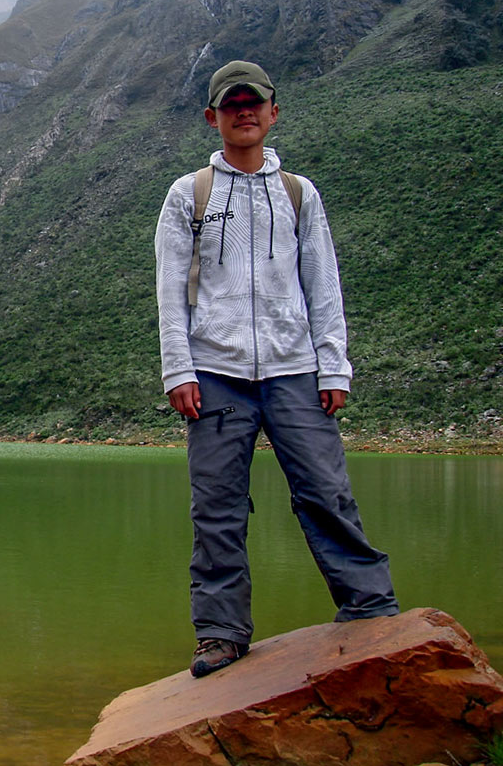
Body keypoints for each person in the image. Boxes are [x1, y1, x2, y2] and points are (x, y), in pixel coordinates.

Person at [154, 60, 399, 678]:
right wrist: (178, 370)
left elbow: (323, 283)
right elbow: (169, 291)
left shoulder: (299, 192)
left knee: (325, 492)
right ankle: (220, 634)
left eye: (253, 103)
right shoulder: (189, 194)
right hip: (214, 374)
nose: (243, 112)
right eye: (231, 104)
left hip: (295, 370)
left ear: (272, 112)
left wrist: (333, 367)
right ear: (212, 117)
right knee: (217, 507)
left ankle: (371, 607)